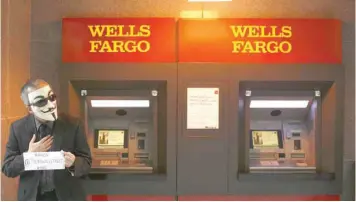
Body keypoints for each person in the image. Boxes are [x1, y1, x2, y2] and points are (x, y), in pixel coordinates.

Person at [2, 79, 92, 201]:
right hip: (32, 197)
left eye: (52, 97)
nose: (51, 105)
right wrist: (29, 156)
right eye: (41, 102)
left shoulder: (73, 124)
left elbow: (86, 162)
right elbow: (8, 168)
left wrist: (73, 163)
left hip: (66, 196)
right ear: (30, 109)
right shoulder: (18, 128)